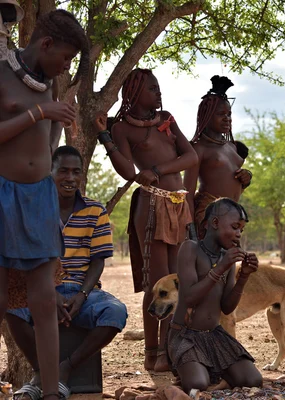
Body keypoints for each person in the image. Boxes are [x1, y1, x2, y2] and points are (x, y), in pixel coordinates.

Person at [0, 10, 88, 400]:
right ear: (46, 44)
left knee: (45, 300)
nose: (66, 66)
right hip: (2, 193)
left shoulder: (49, 84)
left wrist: (57, 118)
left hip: (38, 197)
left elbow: (46, 143)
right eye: (66, 57)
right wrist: (40, 111)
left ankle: (51, 393)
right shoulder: (2, 72)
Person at [95, 68, 198, 371]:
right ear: (134, 92)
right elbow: (129, 172)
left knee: (175, 282)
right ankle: (154, 355)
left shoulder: (166, 118)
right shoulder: (123, 129)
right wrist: (105, 136)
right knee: (158, 284)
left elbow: (191, 157)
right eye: (152, 88)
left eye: (158, 87)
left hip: (178, 205)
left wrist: (157, 170)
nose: (158, 93)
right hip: (151, 206)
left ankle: (169, 350)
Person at [7, 146, 128, 399]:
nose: (70, 178)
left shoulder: (96, 211)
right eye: (63, 171)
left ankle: (66, 368)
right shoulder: (34, 210)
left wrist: (82, 296)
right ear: (49, 172)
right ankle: (41, 372)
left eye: (76, 172)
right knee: (12, 309)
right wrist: (50, 294)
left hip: (83, 291)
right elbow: (25, 261)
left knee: (115, 312)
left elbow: (98, 261)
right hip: (41, 288)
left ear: (82, 176)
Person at [168, 198, 262, 393]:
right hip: (186, 336)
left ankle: (209, 368)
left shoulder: (225, 259)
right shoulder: (190, 249)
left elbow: (227, 307)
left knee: (252, 380)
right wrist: (221, 268)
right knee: (198, 385)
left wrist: (243, 276)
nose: (238, 234)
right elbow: (189, 299)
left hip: (214, 335)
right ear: (215, 223)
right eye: (235, 227)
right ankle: (192, 367)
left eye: (241, 230)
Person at [184, 76, 252, 239]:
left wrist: (247, 178)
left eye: (229, 114)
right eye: (221, 114)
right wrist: (190, 227)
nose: (227, 118)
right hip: (210, 214)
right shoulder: (198, 147)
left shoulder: (231, 146)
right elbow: (188, 191)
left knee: (229, 261)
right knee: (212, 262)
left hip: (233, 212)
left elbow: (232, 181)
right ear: (207, 116)